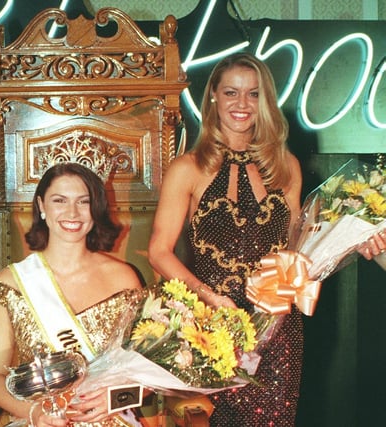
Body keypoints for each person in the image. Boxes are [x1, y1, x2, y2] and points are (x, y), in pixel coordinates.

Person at [148, 52, 386, 426]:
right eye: (231, 92)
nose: (242, 105)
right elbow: (158, 252)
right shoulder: (188, 168)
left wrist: (350, 238)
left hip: (278, 328)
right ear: (213, 96)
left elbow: (298, 247)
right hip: (213, 328)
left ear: (266, 101)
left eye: (253, 94)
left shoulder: (285, 165)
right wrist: (208, 296)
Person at [0, 162, 144, 427]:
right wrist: (34, 413)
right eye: (60, 200)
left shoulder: (124, 278)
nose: (73, 212)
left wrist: (115, 399)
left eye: (83, 202)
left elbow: (148, 373)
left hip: (110, 419)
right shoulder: (11, 282)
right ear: (41, 206)